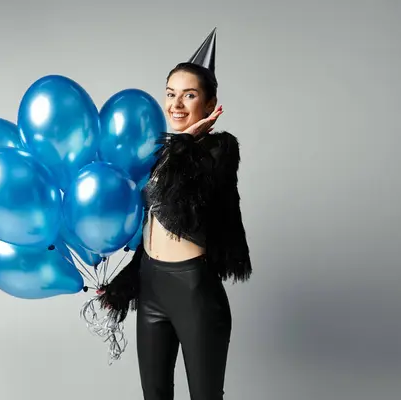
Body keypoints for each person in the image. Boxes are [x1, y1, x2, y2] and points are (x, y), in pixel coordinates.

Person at [97, 28, 251, 400]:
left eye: (189, 95)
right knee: (154, 394)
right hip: (152, 286)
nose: (176, 105)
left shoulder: (219, 151)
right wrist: (123, 284)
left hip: (194, 292)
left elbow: (178, 202)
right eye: (170, 94)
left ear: (211, 103)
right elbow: (154, 227)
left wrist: (184, 142)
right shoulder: (163, 152)